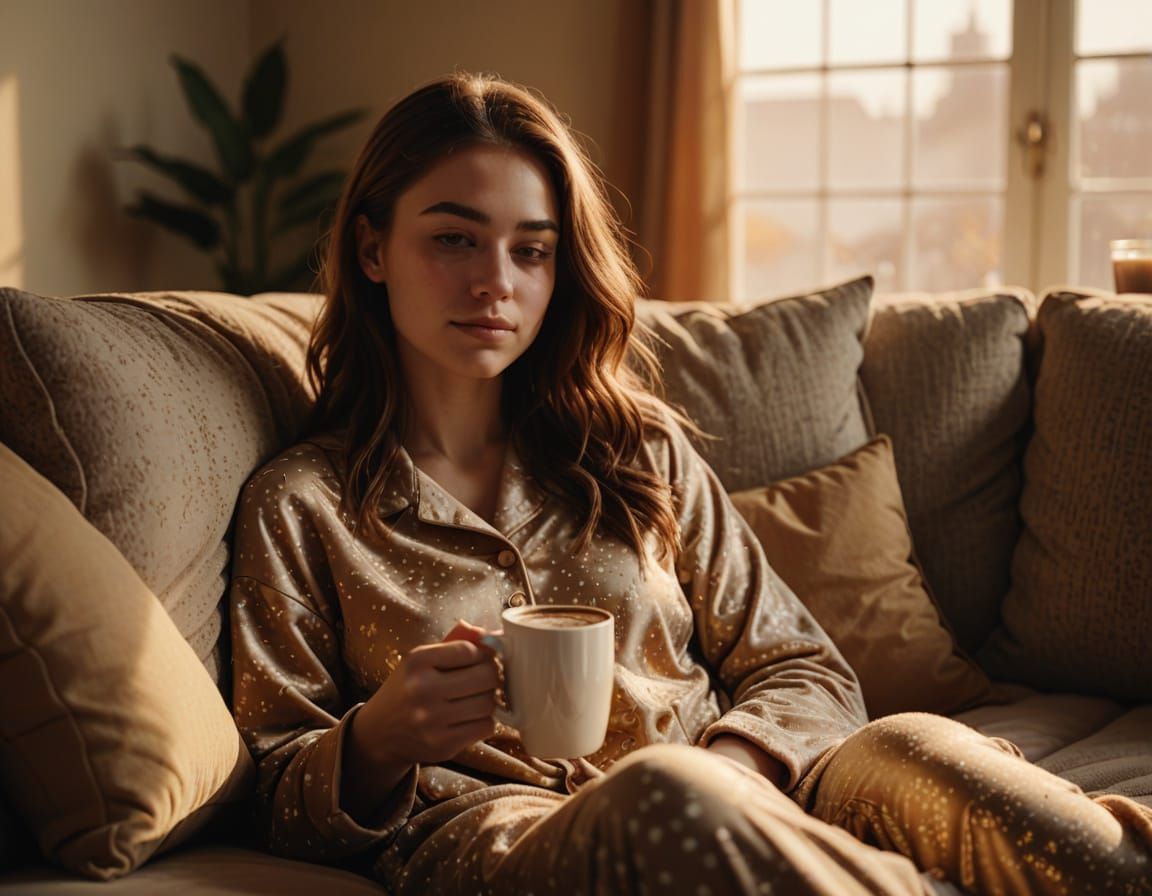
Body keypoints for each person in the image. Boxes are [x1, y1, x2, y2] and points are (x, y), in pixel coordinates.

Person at [228, 72, 1152, 895]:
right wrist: (381, 736)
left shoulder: (637, 452)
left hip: (767, 785)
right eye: (455, 240)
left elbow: (799, 664)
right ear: (373, 249)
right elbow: (275, 791)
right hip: (506, 837)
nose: (495, 283)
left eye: (532, 250)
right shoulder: (304, 505)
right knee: (665, 795)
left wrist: (742, 763)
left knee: (923, 751)